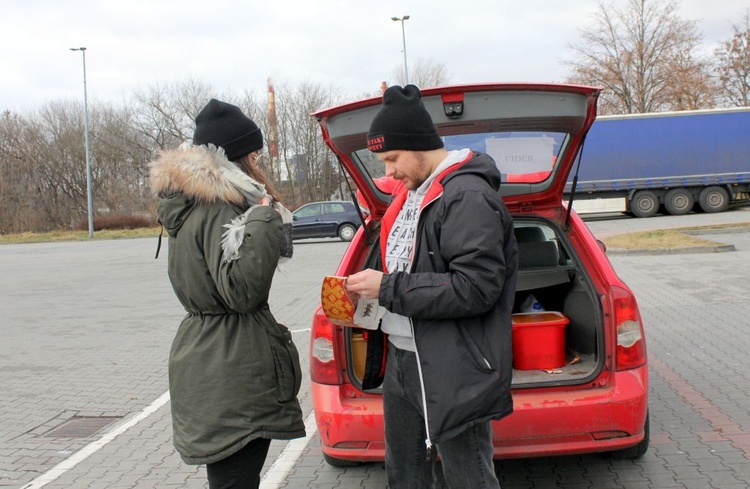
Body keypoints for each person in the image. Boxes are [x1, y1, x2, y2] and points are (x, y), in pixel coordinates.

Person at [345, 85, 519, 489]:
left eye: (391, 158)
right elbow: (404, 265)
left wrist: (388, 288)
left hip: (453, 364)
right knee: (404, 475)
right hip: (404, 360)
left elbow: (476, 287)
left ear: (419, 145)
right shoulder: (410, 196)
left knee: (468, 477)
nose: (387, 172)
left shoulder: (467, 196)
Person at [149, 99, 304, 489]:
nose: (257, 160)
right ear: (235, 157)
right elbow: (240, 291)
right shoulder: (219, 207)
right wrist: (264, 217)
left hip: (210, 356)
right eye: (251, 152)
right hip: (233, 366)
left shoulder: (191, 206)